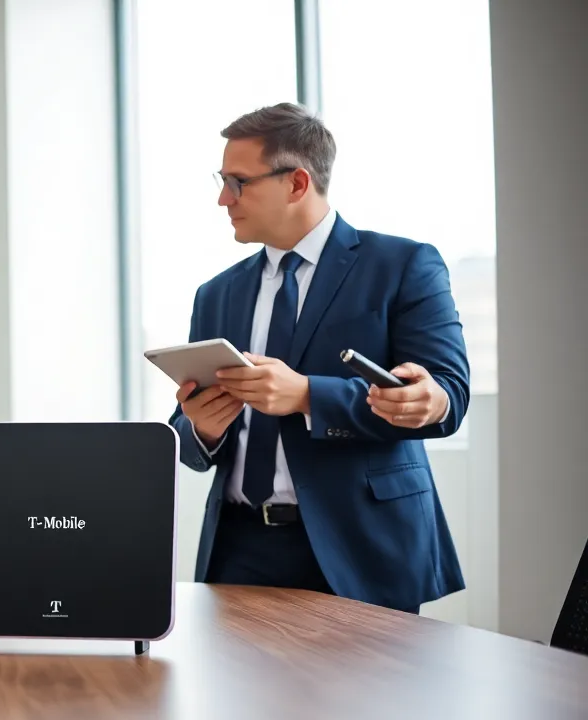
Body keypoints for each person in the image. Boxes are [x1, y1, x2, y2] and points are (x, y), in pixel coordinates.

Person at [170, 102, 469, 614]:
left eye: (238, 182)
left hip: (362, 544)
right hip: (238, 549)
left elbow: (448, 395)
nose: (223, 199)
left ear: (297, 184)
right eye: (221, 181)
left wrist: (308, 395)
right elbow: (188, 436)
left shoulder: (402, 265)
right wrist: (201, 428)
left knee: (369, 696)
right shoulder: (215, 294)